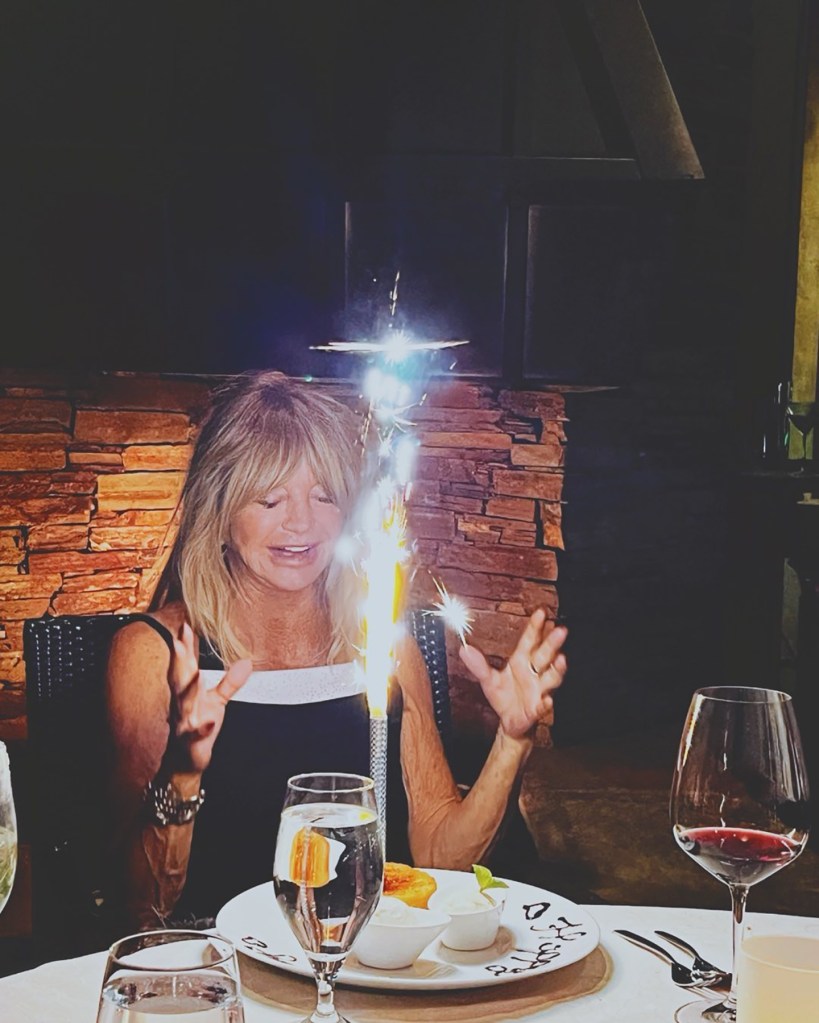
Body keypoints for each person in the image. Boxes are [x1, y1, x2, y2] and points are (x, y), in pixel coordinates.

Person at [105, 371, 567, 931]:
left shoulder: (382, 642)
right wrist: (182, 771)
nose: (301, 523)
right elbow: (139, 907)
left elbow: (442, 860)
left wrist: (511, 742)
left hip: (367, 969)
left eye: (325, 496)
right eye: (270, 498)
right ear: (220, 511)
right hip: (226, 974)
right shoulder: (154, 654)